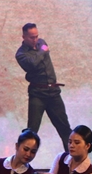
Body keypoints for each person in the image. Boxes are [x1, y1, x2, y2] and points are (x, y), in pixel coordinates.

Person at [15, 23, 72, 151]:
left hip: (53, 92)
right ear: (23, 37)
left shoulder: (42, 42)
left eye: (36, 36)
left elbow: (43, 51)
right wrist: (42, 51)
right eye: (31, 37)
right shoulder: (21, 54)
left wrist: (41, 51)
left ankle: (71, 162)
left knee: (65, 128)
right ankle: (21, 162)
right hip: (37, 93)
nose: (35, 39)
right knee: (31, 131)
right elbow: (32, 64)